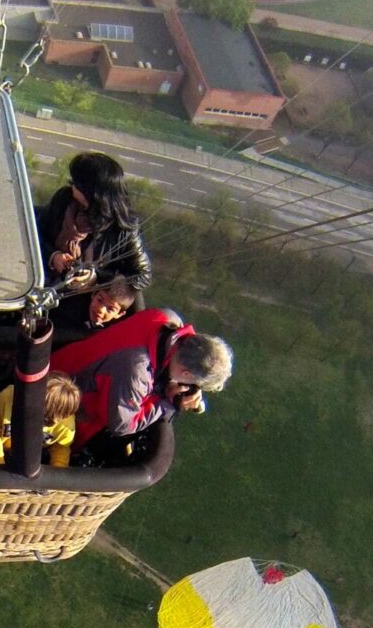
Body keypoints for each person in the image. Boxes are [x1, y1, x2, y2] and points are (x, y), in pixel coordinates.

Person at [52, 308, 233, 466]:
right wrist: (167, 404)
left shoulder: (167, 318)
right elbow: (122, 425)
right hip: (60, 404)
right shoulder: (137, 374)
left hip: (63, 362)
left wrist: (168, 382)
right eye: (194, 384)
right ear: (186, 374)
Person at [39, 152, 153, 296]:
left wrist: (96, 277)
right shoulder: (64, 199)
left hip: (85, 298)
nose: (72, 186)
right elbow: (36, 232)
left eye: (76, 184)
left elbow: (143, 276)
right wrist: (53, 256)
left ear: (91, 192)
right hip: (44, 282)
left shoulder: (124, 229)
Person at [0, 374, 81, 468]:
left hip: (36, 457)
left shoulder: (67, 426)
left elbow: (61, 448)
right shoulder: (6, 399)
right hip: (2, 451)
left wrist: (57, 474)